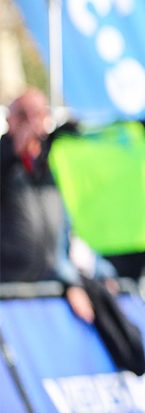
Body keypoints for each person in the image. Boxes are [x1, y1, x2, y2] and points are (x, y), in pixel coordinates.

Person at [0, 89, 94, 324]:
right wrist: (15, 147)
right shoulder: (5, 158)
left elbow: (63, 230)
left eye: (38, 113)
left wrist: (70, 280)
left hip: (48, 290)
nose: (31, 121)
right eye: (23, 114)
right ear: (9, 119)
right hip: (7, 291)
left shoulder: (51, 164)